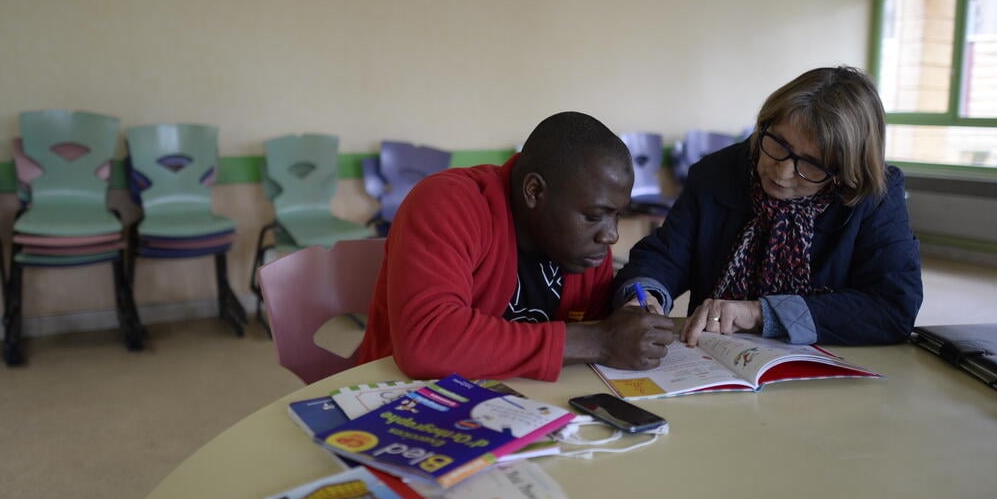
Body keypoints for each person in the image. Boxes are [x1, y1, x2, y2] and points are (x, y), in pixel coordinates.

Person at [612, 66, 922, 347]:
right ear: (764, 125)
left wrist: (762, 313)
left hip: (829, 364)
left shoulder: (874, 193)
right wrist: (646, 294)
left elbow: (892, 307)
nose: (782, 172)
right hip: (713, 358)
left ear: (844, 172)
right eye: (779, 145)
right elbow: (668, 255)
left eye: (812, 165)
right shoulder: (716, 173)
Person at [356, 111, 676, 381]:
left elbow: (588, 354)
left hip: (518, 409)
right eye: (594, 216)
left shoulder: (587, 250)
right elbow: (427, 344)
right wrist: (601, 341)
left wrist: (626, 329)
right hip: (398, 403)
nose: (611, 236)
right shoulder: (447, 203)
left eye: (617, 216)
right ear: (534, 191)